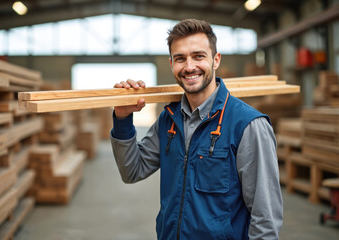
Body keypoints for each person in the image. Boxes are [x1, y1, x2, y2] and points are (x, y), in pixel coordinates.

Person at [110, 19, 283, 239]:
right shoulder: (169, 120)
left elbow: (265, 218)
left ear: (215, 60)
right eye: (180, 58)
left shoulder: (248, 125)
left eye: (198, 56)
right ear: (171, 63)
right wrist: (123, 118)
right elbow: (132, 171)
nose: (189, 66)